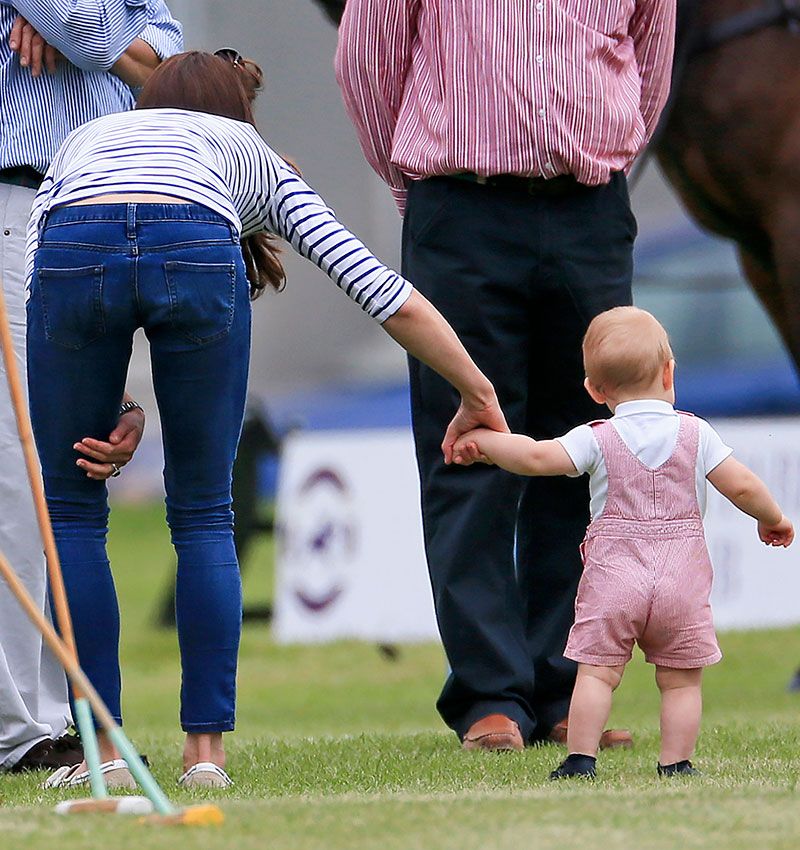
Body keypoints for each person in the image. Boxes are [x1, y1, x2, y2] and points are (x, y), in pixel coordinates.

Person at [25, 50, 507, 790]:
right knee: (205, 513)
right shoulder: (250, 153)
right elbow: (382, 290)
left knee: (72, 513)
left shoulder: (87, 139)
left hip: (72, 239)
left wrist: (111, 406)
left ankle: (104, 753)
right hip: (196, 248)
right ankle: (205, 757)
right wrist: (476, 390)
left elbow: (47, 285)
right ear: (239, 111)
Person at [335, 0, 677, 750]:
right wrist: (417, 187)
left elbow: (648, 67)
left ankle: (562, 691)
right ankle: (490, 696)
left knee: (587, 452)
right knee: (471, 449)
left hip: (588, 210)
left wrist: (604, 151)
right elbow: (366, 66)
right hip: (461, 208)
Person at [451, 306, 794, 778]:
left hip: (614, 577)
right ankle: (676, 765)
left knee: (597, 673)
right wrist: (771, 517)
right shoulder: (697, 434)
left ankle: (580, 759)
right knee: (679, 683)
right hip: (681, 578)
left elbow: (534, 456)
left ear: (594, 389)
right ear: (670, 372)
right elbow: (742, 487)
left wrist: (485, 443)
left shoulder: (597, 437)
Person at [0, 0, 182, 774]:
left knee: (69, 461)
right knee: (17, 471)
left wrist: (71, 24)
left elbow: (170, 74)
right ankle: (20, 729)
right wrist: (94, 30)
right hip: (17, 198)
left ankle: (55, 713)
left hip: (97, 206)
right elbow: (101, 36)